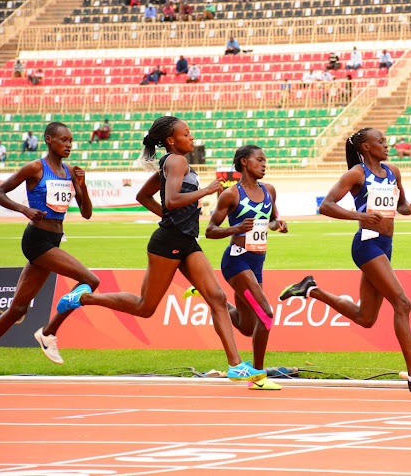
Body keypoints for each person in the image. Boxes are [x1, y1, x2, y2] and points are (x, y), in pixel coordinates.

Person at [53, 116, 268, 385]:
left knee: (216, 297)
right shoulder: (176, 161)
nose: (192, 138)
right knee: (145, 307)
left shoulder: (173, 162)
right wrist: (205, 191)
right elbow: (173, 200)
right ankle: (82, 299)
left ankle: (235, 365)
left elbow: (143, 196)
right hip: (168, 243)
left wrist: (168, 215)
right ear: (170, 140)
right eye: (186, 134)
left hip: (187, 241)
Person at [279, 128, 411, 395]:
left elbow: (400, 205)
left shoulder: (393, 172)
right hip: (367, 245)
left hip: (385, 245)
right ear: (366, 147)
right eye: (380, 142)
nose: (386, 145)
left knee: (365, 317)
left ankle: (310, 289)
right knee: (402, 303)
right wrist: (360, 216)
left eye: (385, 141)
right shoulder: (357, 174)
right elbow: (326, 206)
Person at [0, 123, 98, 390]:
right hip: (37, 241)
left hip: (53, 239)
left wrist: (83, 184)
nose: (69, 145)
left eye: (71, 141)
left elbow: (87, 212)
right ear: (48, 140)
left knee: (18, 309)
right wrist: (25, 209)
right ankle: (48, 332)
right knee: (89, 279)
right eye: (63, 140)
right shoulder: (35, 168)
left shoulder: (70, 171)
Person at [185, 145, 287, 390]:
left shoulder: (269, 190)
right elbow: (210, 231)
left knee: (246, 325)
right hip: (236, 260)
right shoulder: (231, 194)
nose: (264, 164)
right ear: (244, 162)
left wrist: (277, 224)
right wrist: (236, 229)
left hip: (257, 262)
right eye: (259, 160)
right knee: (267, 315)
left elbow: (271, 219)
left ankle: (212, 299)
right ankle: (258, 376)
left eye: (265, 160)